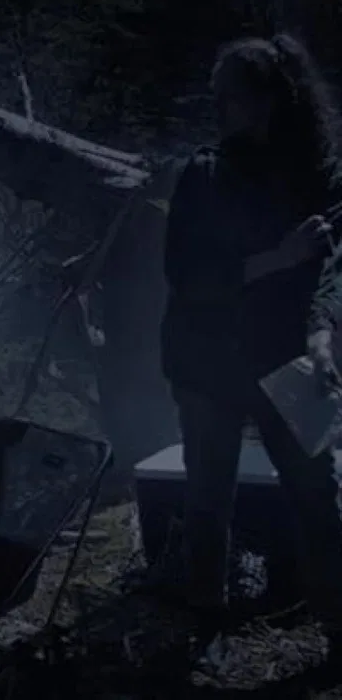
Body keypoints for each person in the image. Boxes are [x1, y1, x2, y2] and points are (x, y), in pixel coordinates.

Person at [160, 33, 342, 663]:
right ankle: (204, 625)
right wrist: (276, 258)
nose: (222, 109)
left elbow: (329, 274)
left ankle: (338, 632)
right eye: (219, 96)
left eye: (232, 97)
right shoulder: (205, 173)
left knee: (319, 497)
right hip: (207, 358)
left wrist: (322, 339)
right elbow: (186, 277)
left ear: (272, 100)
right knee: (209, 498)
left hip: (286, 354)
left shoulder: (317, 175)